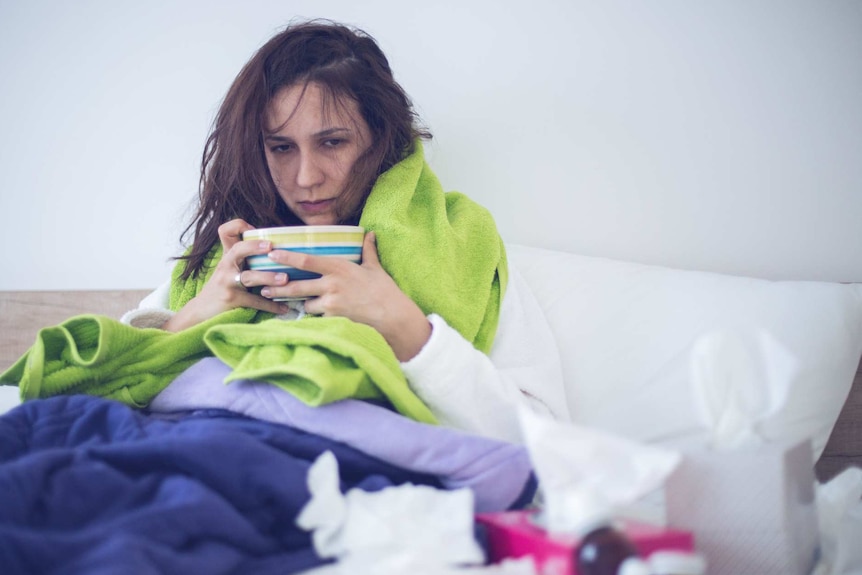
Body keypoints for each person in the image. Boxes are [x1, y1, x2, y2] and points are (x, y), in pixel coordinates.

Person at [122, 19, 568, 443]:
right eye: (281, 148)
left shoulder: (463, 246)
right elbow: (107, 391)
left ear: (379, 138)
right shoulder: (227, 256)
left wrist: (410, 332)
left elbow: (548, 441)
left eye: (332, 142)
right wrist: (193, 316)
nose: (306, 177)